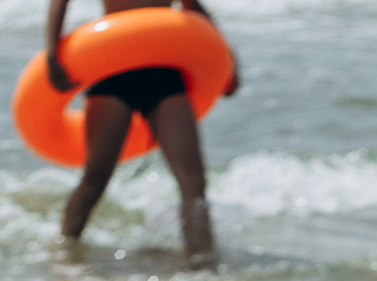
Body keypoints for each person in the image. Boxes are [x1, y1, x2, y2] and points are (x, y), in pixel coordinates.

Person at [45, 0, 239, 267]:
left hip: (164, 73)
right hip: (113, 71)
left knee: (194, 183)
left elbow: (193, 6)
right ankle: (64, 255)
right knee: (95, 180)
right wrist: (52, 54)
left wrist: (228, 61)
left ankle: (202, 264)